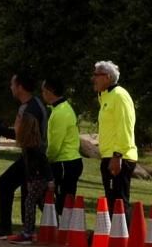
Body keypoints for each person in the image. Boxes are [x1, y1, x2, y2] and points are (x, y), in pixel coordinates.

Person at [0, 74, 47, 241]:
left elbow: (21, 136)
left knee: (9, 185)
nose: (10, 87)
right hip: (31, 156)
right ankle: (25, 230)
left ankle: (11, 229)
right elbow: (21, 135)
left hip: (34, 156)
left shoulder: (29, 109)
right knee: (30, 194)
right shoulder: (33, 104)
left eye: (12, 84)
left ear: (20, 87)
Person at [92, 60, 137, 215]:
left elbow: (125, 127)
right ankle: (114, 237)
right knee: (112, 203)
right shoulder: (105, 96)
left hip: (119, 157)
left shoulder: (119, 96)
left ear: (107, 77)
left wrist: (117, 155)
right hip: (108, 156)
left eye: (96, 75)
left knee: (119, 204)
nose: (94, 78)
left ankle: (127, 238)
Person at [42, 77, 82, 215]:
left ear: (50, 91)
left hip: (65, 161)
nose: (42, 93)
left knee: (63, 202)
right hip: (71, 160)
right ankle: (64, 230)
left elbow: (55, 145)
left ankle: (63, 231)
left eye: (44, 90)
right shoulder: (63, 107)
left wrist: (47, 161)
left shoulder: (59, 113)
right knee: (66, 200)